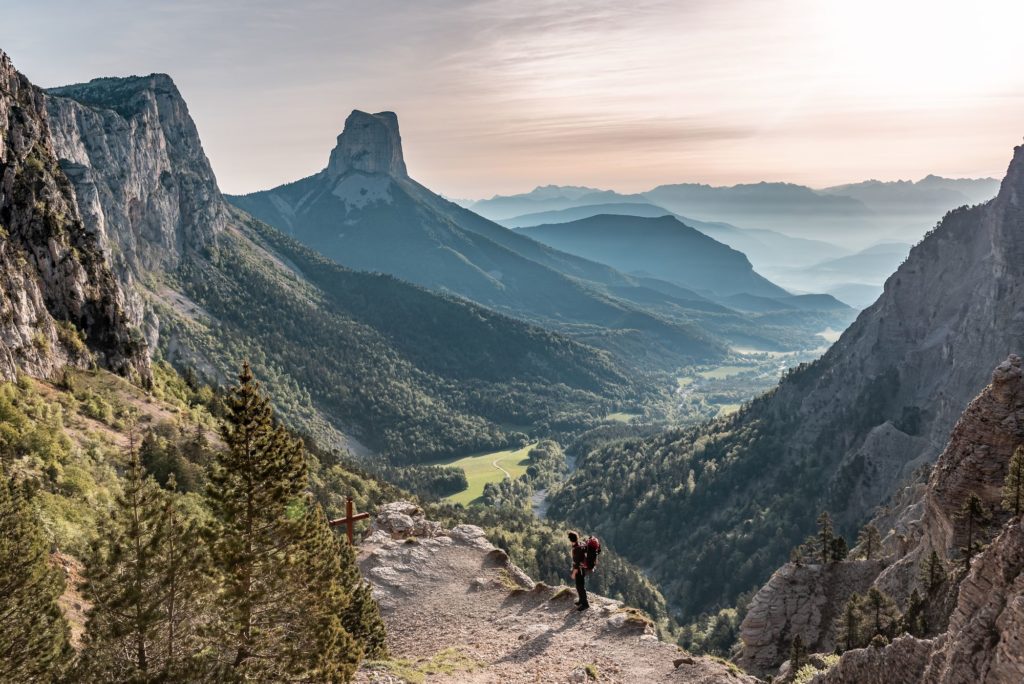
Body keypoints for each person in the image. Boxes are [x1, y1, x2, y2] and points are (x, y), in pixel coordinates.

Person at [568, 531, 589, 611]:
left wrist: (573, 573)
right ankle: (581, 600)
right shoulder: (580, 544)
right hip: (582, 568)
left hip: (579, 570)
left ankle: (585, 604)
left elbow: (576, 563)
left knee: (580, 586)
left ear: (570, 539)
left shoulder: (576, 549)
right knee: (578, 586)